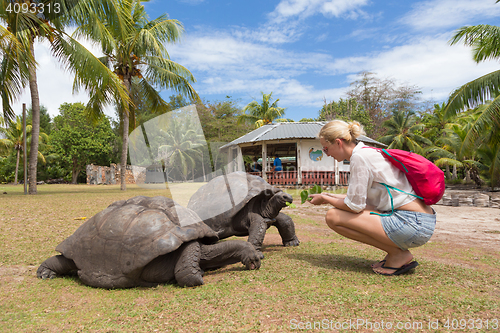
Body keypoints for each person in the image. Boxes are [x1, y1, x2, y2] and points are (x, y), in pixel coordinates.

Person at [309, 120, 436, 276]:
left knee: (333, 216)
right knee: (336, 212)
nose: (327, 154)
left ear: (338, 142)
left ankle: (397, 254)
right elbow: (358, 200)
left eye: (326, 149)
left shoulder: (359, 158)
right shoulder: (367, 152)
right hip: (421, 221)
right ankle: (395, 253)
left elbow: (354, 206)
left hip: (410, 223)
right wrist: (325, 195)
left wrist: (326, 199)